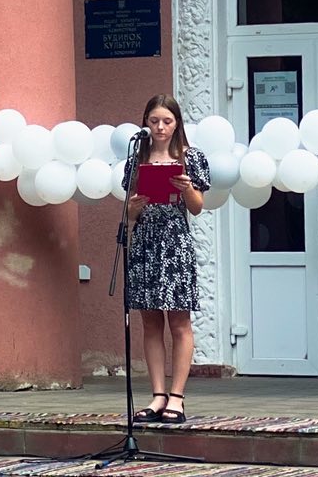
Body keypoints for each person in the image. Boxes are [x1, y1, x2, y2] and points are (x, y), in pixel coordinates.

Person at [123, 93, 208, 424]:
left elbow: (197, 208)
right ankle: (158, 395)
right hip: (145, 243)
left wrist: (186, 189)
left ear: (177, 123)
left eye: (167, 121)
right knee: (150, 322)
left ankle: (177, 397)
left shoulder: (190, 157)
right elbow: (129, 213)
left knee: (179, 321)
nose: (160, 127)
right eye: (154, 120)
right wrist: (133, 208)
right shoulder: (137, 158)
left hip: (174, 245)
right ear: (145, 122)